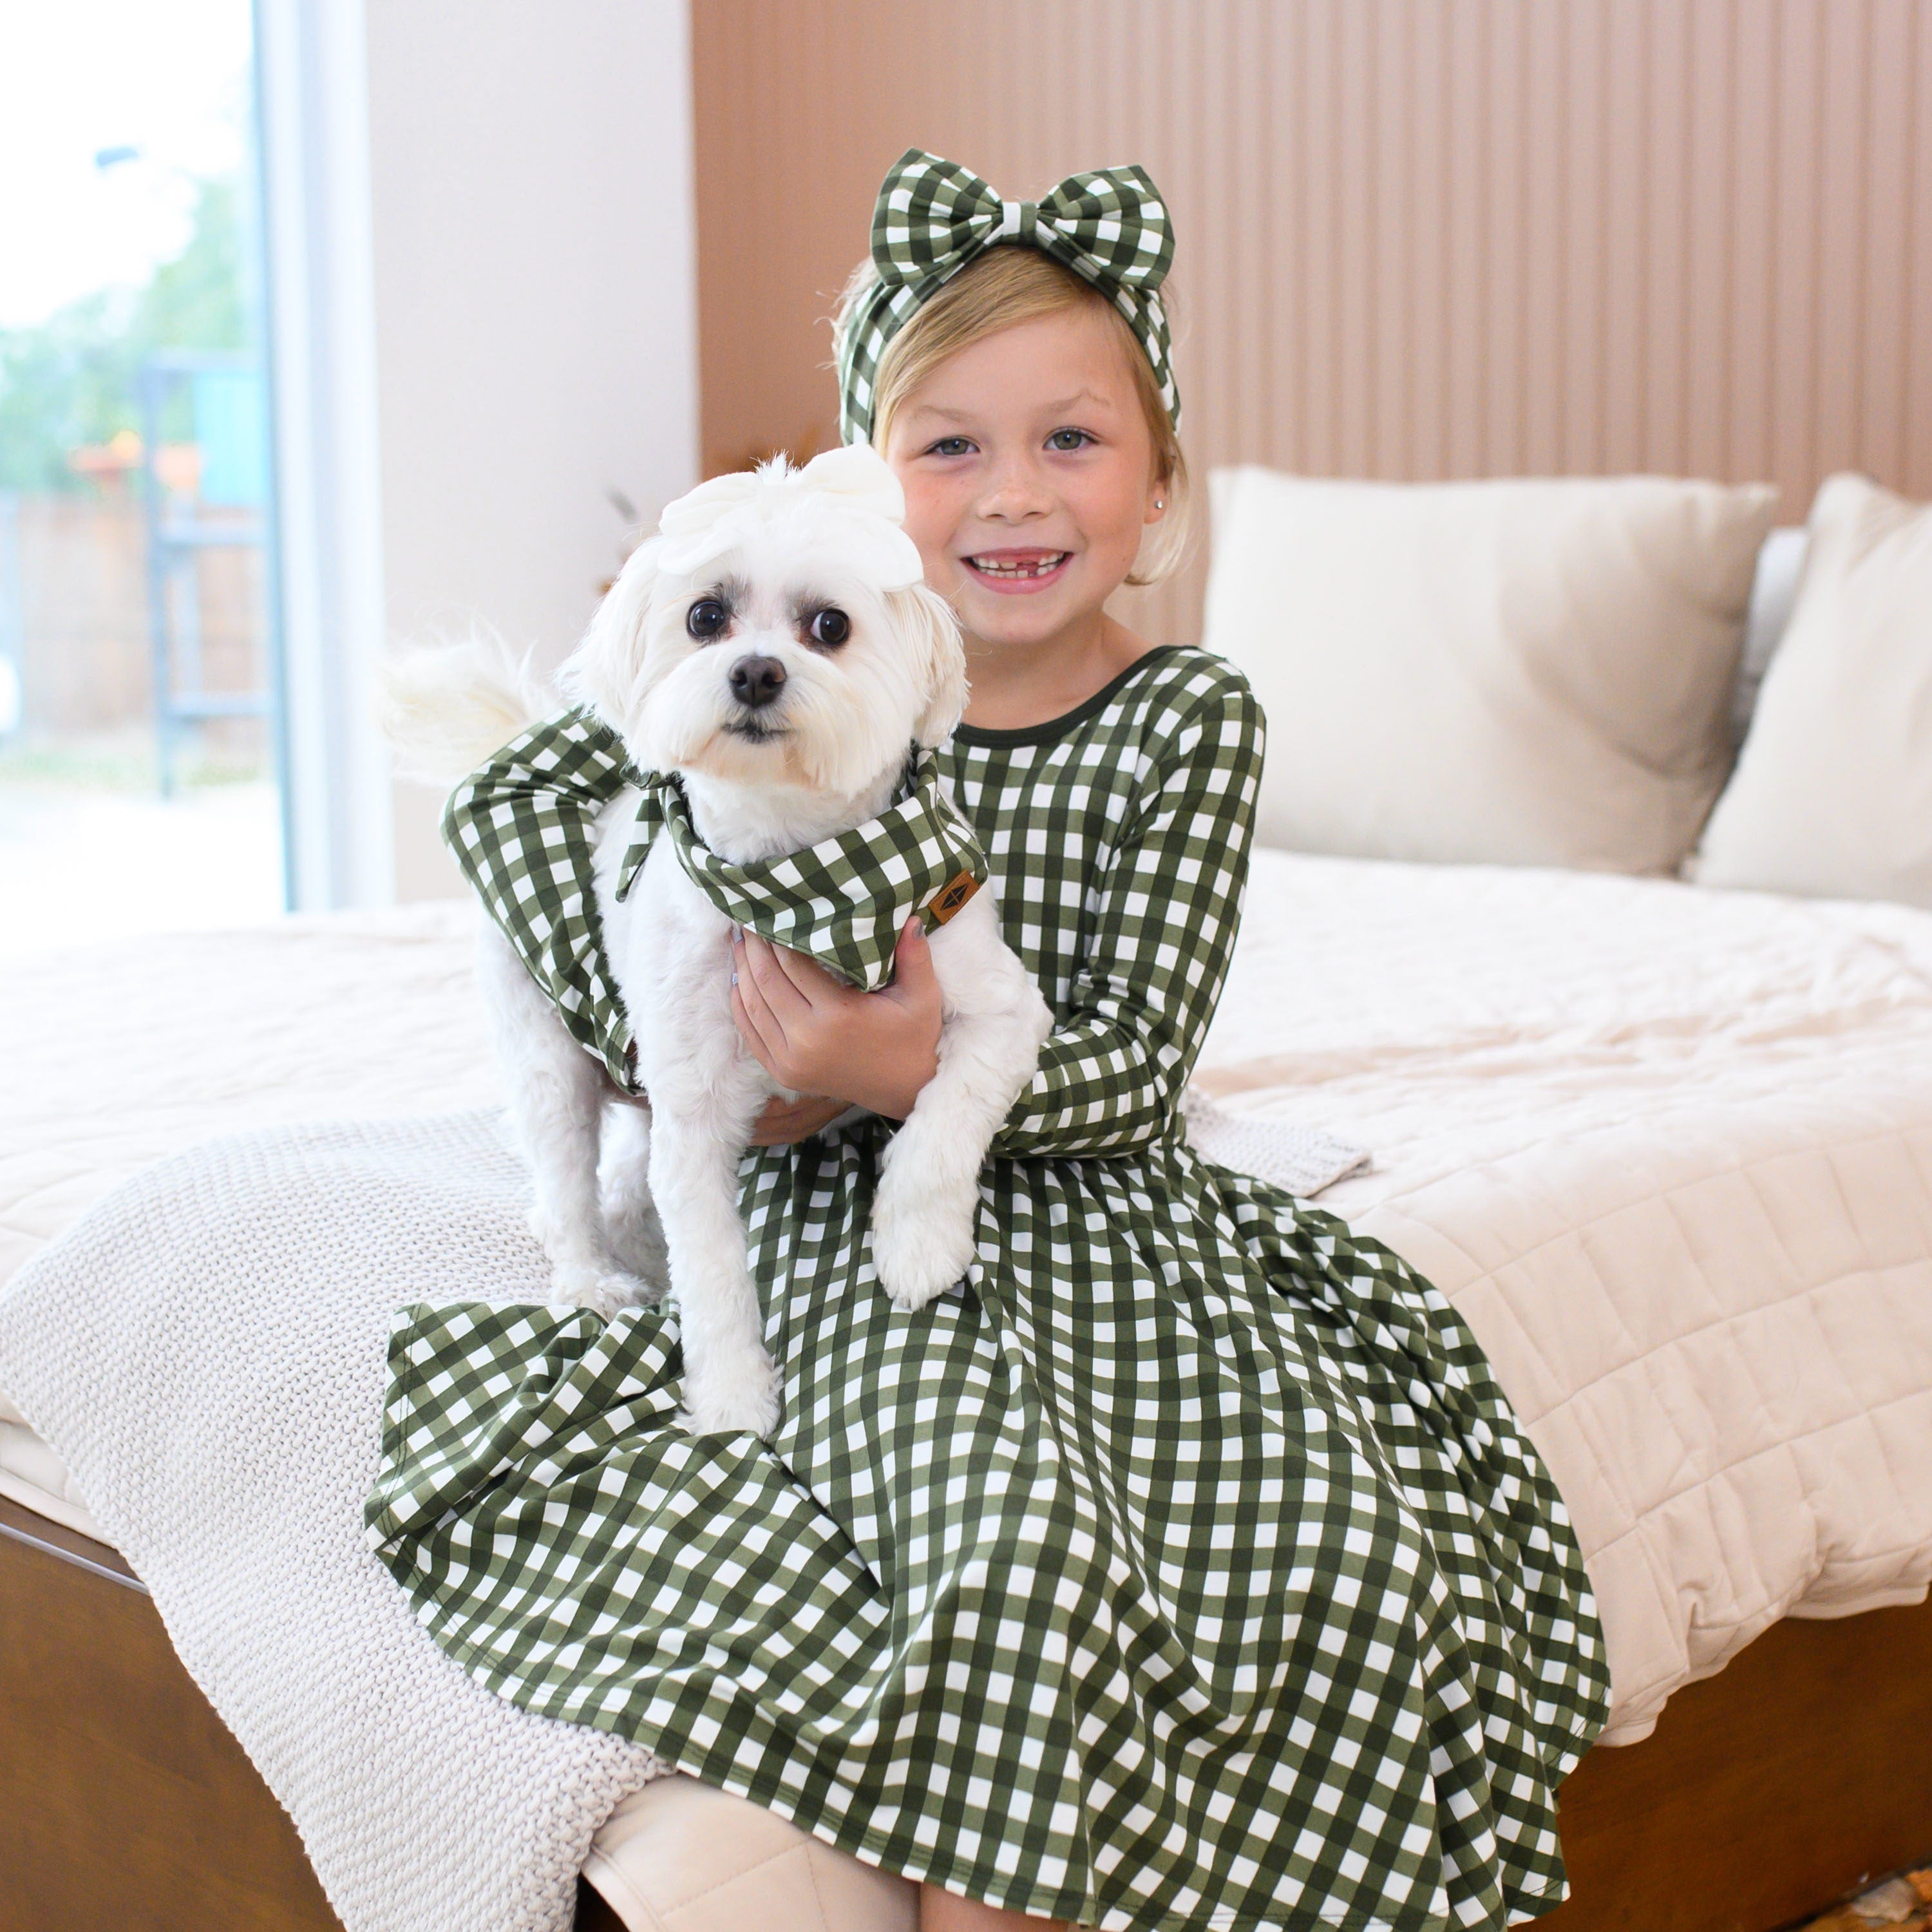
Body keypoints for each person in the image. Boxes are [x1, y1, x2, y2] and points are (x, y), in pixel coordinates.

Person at [367, 152, 1609, 1931]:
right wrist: (688, 1049)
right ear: (867, 488)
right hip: (833, 1226)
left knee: (1337, 1561)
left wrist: (894, 1068)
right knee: (1009, 1569)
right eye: (949, 446)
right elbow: (546, 840)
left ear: (1158, 481)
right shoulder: (794, 679)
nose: (1014, 493)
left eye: (1073, 441)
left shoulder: (1185, 718)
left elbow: (1141, 1056)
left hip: (1104, 1215)